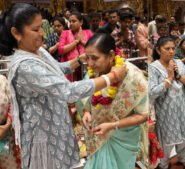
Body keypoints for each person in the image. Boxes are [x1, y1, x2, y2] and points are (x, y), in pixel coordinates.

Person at [0, 4, 127, 169]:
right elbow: (67, 91)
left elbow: (57, 69)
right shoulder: (24, 66)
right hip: (43, 137)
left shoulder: (38, 50)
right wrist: (111, 77)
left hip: (58, 125)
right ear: (16, 33)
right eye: (36, 29)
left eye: (42, 27)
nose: (43, 34)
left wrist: (80, 60)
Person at [81, 33, 148, 169]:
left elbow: (144, 115)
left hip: (122, 137)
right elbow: (87, 101)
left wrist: (113, 125)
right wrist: (86, 112)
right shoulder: (92, 73)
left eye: (95, 58)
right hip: (97, 136)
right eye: (87, 58)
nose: (90, 63)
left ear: (111, 55)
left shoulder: (133, 76)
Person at [148, 37, 185, 169]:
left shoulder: (179, 63)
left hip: (182, 107)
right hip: (165, 111)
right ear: (158, 50)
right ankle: (163, 164)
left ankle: (183, 158)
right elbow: (152, 92)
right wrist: (169, 79)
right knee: (166, 139)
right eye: (167, 49)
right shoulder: (154, 68)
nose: (171, 52)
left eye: (173, 48)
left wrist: (179, 76)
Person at [59, 11, 94, 81]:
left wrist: (82, 42)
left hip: (87, 68)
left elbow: (94, 48)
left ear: (81, 22)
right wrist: (76, 41)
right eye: (70, 21)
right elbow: (61, 50)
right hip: (71, 69)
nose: (71, 23)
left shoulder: (88, 32)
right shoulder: (65, 33)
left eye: (73, 21)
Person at [0, 75, 20, 169]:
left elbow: (13, 104)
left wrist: (7, 125)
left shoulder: (3, 80)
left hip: (5, 135)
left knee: (10, 165)